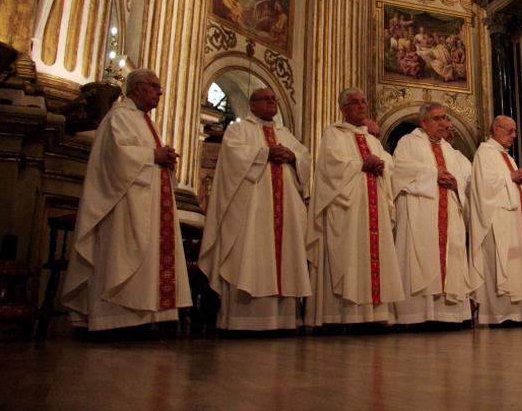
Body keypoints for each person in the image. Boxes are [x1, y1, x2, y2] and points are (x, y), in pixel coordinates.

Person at [61, 69, 192, 331]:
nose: (159, 92)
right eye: (154, 86)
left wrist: (165, 159)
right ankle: (114, 319)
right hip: (122, 203)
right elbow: (115, 157)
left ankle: (144, 318)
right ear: (136, 88)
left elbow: (148, 155)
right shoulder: (119, 116)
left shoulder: (146, 122)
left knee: (147, 259)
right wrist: (153, 156)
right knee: (120, 256)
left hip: (148, 201)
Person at [199, 88, 312, 331]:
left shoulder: (285, 133)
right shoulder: (239, 130)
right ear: (252, 105)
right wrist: (265, 153)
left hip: (285, 210)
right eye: (265, 99)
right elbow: (232, 160)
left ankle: (284, 320)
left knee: (284, 255)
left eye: (274, 99)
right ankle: (244, 320)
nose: (272, 102)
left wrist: (292, 156)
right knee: (251, 252)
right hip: (250, 210)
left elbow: (304, 157)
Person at [305, 88, 404, 326]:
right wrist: (361, 164)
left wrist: (382, 164)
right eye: (355, 102)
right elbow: (331, 166)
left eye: (363, 101)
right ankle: (343, 315)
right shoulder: (333, 134)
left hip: (374, 207)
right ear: (343, 109)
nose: (361, 106)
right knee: (349, 254)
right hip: (347, 209)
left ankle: (375, 314)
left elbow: (389, 163)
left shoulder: (372, 140)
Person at [392, 103, 473, 325]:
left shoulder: (451, 151)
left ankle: (449, 315)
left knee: (450, 260)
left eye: (445, 118)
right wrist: (432, 174)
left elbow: (467, 180)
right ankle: (416, 314)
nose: (443, 123)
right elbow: (399, 170)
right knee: (420, 257)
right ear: (423, 122)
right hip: (421, 213)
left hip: (449, 213)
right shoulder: (408, 142)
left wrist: (455, 185)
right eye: (437, 119)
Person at [470, 115, 522, 325]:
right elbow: (482, 186)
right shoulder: (484, 153)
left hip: (515, 220)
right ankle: (502, 314)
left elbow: (512, 183)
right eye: (510, 131)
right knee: (501, 265)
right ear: (496, 129)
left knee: (518, 266)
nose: (514, 136)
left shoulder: (507, 157)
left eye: (515, 131)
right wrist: (511, 177)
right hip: (497, 220)